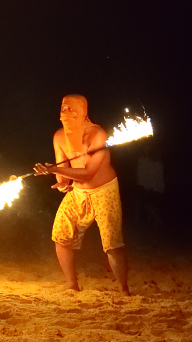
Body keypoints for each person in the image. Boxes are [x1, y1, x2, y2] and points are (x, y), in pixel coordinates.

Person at [33, 95, 130, 295]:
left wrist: (54, 171)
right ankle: (72, 285)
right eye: (63, 109)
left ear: (84, 112)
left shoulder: (97, 135)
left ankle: (123, 289)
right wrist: (60, 183)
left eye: (72, 109)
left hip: (104, 190)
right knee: (60, 235)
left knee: (112, 244)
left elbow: (88, 172)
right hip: (78, 192)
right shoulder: (59, 137)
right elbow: (64, 171)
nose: (66, 113)